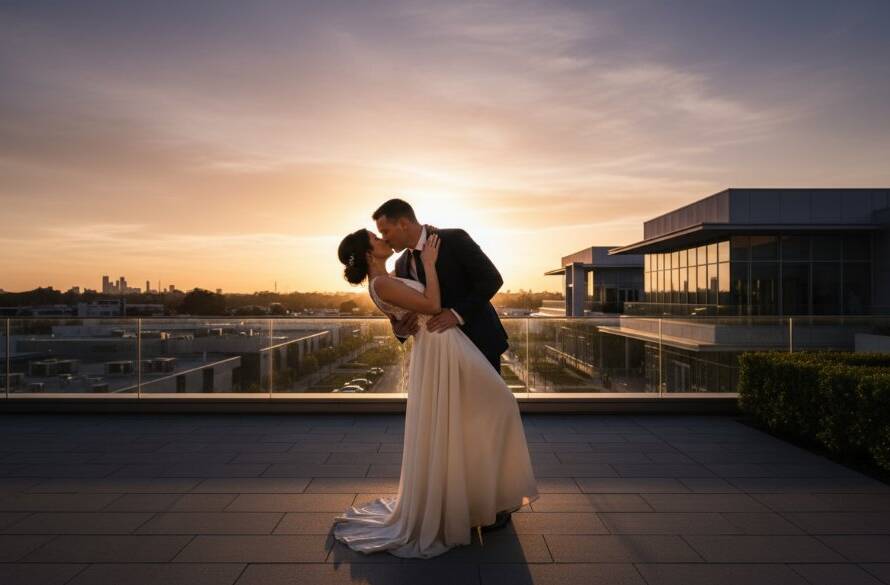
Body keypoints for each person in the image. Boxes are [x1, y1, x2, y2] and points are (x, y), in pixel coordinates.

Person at [331, 206, 539, 559]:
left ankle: (495, 503)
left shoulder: (453, 238)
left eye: (385, 230)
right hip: (441, 352)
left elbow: (491, 280)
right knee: (455, 428)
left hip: (477, 341)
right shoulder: (400, 265)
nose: (384, 237)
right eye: (377, 235)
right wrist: (399, 327)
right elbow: (409, 310)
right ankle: (466, 504)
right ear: (367, 253)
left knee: (491, 417)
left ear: (403, 223)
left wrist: (456, 314)